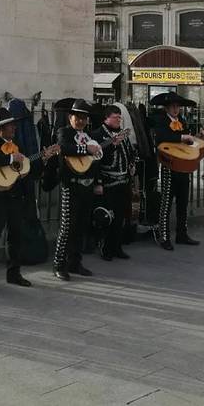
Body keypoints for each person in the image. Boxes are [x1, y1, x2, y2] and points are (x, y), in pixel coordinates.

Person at [0, 107, 56, 294]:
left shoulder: (17, 144)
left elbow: (27, 168)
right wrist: (10, 158)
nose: (14, 127)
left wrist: (43, 159)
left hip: (15, 198)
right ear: (0, 128)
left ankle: (14, 274)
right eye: (10, 125)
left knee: (16, 238)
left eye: (14, 124)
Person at [53, 99, 102, 281]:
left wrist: (97, 182)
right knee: (67, 226)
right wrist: (86, 149)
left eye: (84, 118)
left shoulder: (89, 136)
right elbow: (64, 148)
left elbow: (95, 160)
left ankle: (75, 262)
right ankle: (59, 264)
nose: (81, 121)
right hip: (71, 185)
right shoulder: (64, 132)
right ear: (70, 117)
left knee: (81, 226)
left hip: (87, 186)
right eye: (78, 117)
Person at [148, 92, 199, 250]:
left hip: (183, 165)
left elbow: (187, 139)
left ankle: (182, 234)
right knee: (166, 202)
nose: (176, 109)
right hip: (169, 166)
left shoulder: (181, 120)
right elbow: (161, 137)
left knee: (183, 202)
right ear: (167, 108)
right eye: (173, 107)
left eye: (178, 107)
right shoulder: (161, 120)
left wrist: (193, 139)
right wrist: (181, 138)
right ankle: (164, 236)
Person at [92, 105, 135, 261]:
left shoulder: (122, 133)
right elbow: (96, 160)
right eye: (115, 117)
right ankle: (105, 248)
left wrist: (132, 164)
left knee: (120, 216)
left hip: (124, 181)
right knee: (107, 216)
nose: (119, 120)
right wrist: (98, 183)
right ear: (106, 118)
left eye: (119, 117)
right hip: (108, 182)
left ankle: (117, 247)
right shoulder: (98, 135)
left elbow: (130, 152)